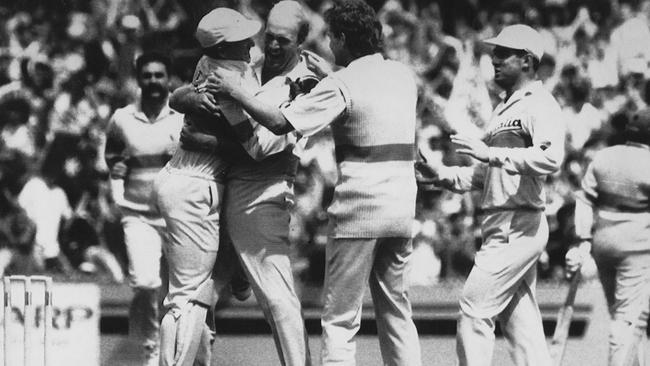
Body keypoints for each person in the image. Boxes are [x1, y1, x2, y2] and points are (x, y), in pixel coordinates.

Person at [202, 1, 422, 364]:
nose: (329, 45)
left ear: (343, 38)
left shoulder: (340, 84)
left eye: (333, 38)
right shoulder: (402, 74)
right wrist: (336, 72)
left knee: (339, 320)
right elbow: (370, 94)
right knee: (397, 312)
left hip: (359, 212)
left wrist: (235, 90)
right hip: (402, 211)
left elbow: (276, 122)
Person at [172, 2, 316, 365]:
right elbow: (182, 95)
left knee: (277, 296)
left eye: (283, 40)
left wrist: (202, 139)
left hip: (261, 193)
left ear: (301, 41)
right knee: (200, 292)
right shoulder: (246, 64)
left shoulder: (307, 85)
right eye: (269, 38)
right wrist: (192, 98)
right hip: (220, 189)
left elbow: (263, 148)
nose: (272, 47)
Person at [416, 24, 565, 366]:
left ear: (527, 61)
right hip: (501, 222)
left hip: (519, 222)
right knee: (521, 326)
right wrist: (442, 174)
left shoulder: (539, 103)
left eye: (502, 53)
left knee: (473, 309)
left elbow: (550, 158)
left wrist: (491, 154)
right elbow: (485, 174)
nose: (494, 59)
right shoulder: (503, 110)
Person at [152, 8, 268, 366]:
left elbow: (178, 96)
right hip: (195, 184)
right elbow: (255, 150)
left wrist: (184, 102)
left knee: (197, 291)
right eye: (241, 39)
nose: (251, 42)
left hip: (185, 180)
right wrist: (210, 141)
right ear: (224, 47)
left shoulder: (215, 60)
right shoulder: (227, 81)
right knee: (186, 296)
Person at [104, 52, 183, 366]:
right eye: (147, 75)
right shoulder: (121, 118)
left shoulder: (181, 115)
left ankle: (176, 352)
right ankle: (149, 349)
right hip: (137, 214)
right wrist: (117, 185)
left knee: (178, 292)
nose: (153, 81)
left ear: (168, 79)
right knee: (145, 284)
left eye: (159, 75)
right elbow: (111, 157)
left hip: (176, 216)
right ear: (139, 79)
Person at [565, 108, 650, 366]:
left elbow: (584, 201)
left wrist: (582, 241)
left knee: (625, 315)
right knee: (628, 319)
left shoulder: (604, 157)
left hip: (603, 242)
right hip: (637, 244)